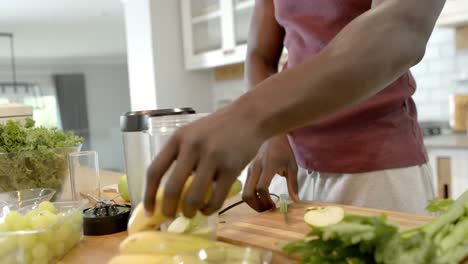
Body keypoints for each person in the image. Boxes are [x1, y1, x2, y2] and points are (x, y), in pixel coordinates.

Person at [143, 0, 446, 219]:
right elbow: (259, 54)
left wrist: (251, 117)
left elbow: (401, 28)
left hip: (377, 169)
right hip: (291, 168)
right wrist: (274, 134)